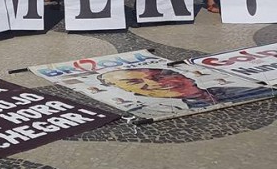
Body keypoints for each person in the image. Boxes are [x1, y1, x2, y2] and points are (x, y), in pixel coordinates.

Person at [99, 67, 264, 109]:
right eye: (137, 83)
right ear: (134, 93)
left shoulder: (246, 87)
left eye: (160, 75)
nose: (156, 82)